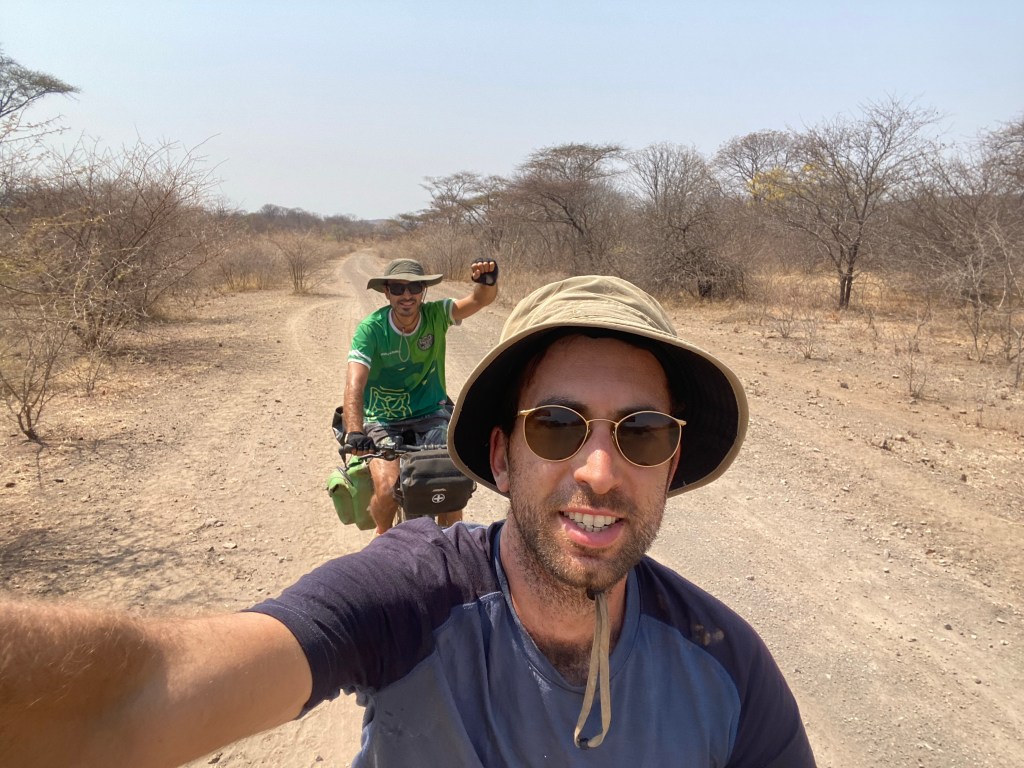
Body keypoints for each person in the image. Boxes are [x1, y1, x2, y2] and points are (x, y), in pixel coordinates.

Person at [0, 275, 816, 767]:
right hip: (388, 423)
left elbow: (472, 305)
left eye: (640, 433)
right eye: (557, 427)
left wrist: (485, 288)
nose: (599, 472)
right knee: (395, 498)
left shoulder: (731, 669)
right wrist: (356, 433)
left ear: (671, 465)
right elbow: (145, 686)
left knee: (431, 484)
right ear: (502, 455)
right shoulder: (411, 595)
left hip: (431, 414)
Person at [342, 257, 498, 533]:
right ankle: (383, 538)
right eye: (398, 288)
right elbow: (355, 382)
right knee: (388, 487)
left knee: (452, 482)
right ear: (387, 292)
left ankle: (453, 547)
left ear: (423, 292)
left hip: (429, 412)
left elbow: (478, 300)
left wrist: (487, 282)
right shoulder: (372, 329)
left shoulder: (436, 315)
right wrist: (355, 432)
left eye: (414, 288)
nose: (407, 295)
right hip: (382, 418)